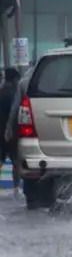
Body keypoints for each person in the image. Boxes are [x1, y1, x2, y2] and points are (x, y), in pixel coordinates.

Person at [0, 67, 21, 197]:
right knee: (15, 161)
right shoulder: (15, 94)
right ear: (14, 79)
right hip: (13, 132)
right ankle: (16, 188)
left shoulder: (0, 92)